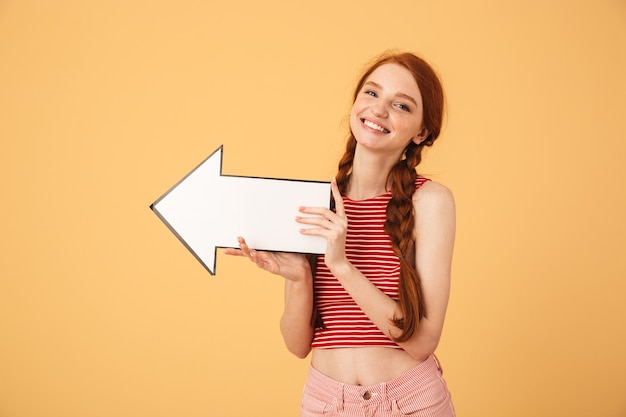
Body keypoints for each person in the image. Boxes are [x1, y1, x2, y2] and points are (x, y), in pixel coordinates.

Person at [224, 51, 456, 417]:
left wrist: (341, 265)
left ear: (422, 131)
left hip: (409, 403)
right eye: (372, 93)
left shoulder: (429, 202)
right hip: (325, 404)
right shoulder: (314, 202)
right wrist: (300, 276)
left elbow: (423, 341)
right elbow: (297, 344)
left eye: (402, 105)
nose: (379, 110)